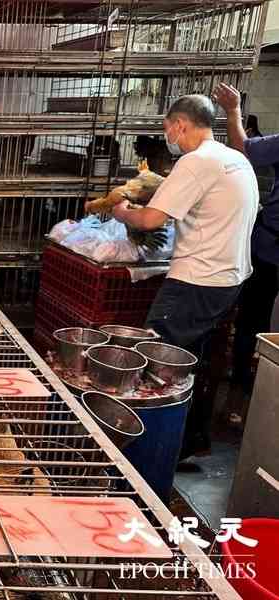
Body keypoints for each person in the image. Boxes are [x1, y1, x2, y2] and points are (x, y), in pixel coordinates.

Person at [112, 94, 258, 460]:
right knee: (194, 363)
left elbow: (151, 220)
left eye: (167, 128)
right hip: (229, 280)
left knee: (159, 365)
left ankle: (150, 453)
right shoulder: (234, 158)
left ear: (180, 124)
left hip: (196, 281)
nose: (167, 136)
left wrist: (122, 212)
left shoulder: (196, 162)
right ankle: (191, 441)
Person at [212, 83, 279, 427]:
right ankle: (243, 398)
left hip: (269, 252)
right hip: (270, 249)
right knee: (256, 325)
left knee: (253, 324)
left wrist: (233, 111)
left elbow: (243, 149)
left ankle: (240, 401)